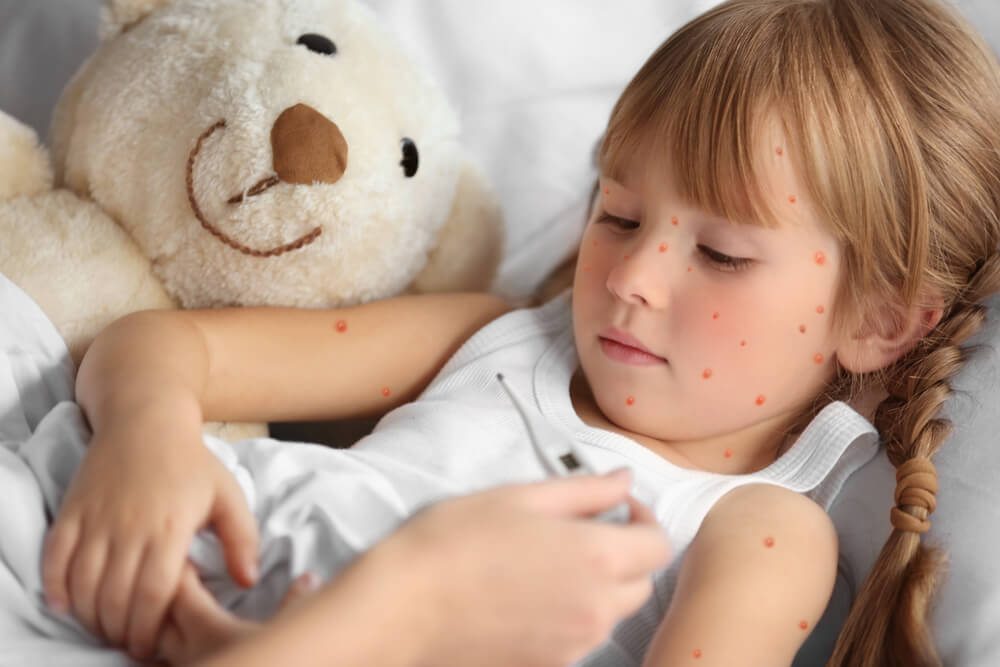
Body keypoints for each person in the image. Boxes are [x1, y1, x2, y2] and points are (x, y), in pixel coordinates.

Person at [38, 0, 1000, 664]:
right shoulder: (497, 338)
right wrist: (146, 438)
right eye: (618, 216)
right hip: (109, 577)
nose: (629, 277)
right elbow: (163, 346)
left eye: (723, 255)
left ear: (879, 319)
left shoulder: (754, 531)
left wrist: (366, 624)